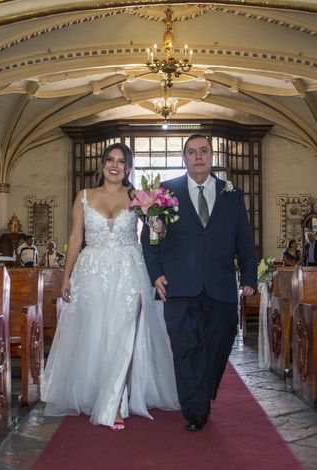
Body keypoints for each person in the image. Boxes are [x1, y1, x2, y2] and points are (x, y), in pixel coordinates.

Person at [42, 143, 179, 430]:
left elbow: (157, 232)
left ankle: (116, 400)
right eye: (110, 160)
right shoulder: (84, 196)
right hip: (92, 271)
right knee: (97, 331)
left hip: (131, 270)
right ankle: (98, 389)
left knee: (125, 331)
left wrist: (159, 224)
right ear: (102, 164)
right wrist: (66, 276)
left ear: (128, 168)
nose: (115, 165)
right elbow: (76, 237)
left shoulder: (137, 196)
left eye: (121, 161)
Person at [142, 134, 257, 432]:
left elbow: (244, 239)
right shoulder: (167, 192)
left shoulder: (231, 193)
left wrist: (249, 277)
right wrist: (155, 275)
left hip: (220, 285)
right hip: (179, 286)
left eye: (204, 151)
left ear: (212, 156)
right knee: (185, 348)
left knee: (220, 343)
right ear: (184, 159)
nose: (198, 157)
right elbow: (150, 238)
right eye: (191, 152)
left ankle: (202, 391)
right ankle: (194, 409)